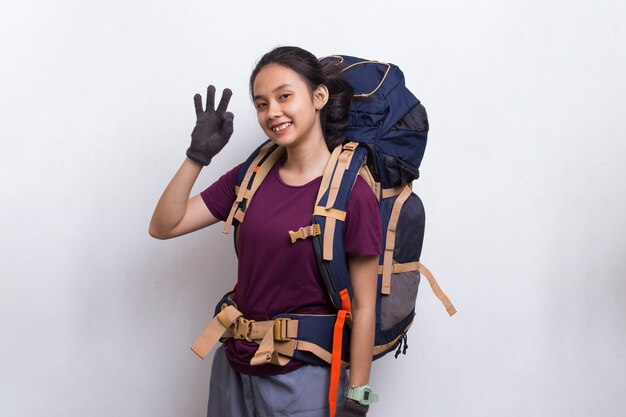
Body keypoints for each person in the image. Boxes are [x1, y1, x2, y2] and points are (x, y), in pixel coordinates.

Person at [149, 46, 382, 417]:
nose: (273, 112)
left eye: (284, 96)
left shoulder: (352, 192)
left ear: (318, 97)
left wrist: (359, 395)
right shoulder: (251, 176)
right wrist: (197, 156)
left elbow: (366, 305)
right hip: (234, 367)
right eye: (261, 103)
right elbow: (164, 225)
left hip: (304, 377)